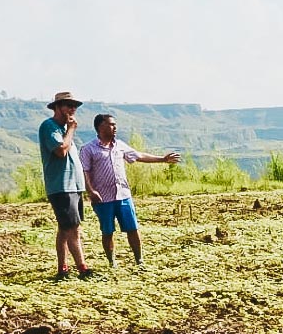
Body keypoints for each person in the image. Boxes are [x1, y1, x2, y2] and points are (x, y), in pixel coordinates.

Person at [79, 113, 180, 268]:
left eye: (115, 124)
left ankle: (139, 260)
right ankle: (112, 262)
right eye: (111, 124)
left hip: (123, 195)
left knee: (132, 228)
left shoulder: (119, 145)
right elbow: (84, 171)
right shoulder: (88, 149)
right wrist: (91, 191)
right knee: (107, 231)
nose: (115, 127)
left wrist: (162, 159)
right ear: (100, 127)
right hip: (103, 198)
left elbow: (138, 155)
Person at [38, 91, 93, 279]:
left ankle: (63, 269)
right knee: (72, 228)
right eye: (68, 105)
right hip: (61, 186)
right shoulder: (50, 127)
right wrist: (71, 130)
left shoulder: (63, 129)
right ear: (57, 107)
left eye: (74, 106)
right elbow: (60, 151)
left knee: (65, 228)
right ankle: (83, 269)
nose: (72, 109)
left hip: (73, 186)